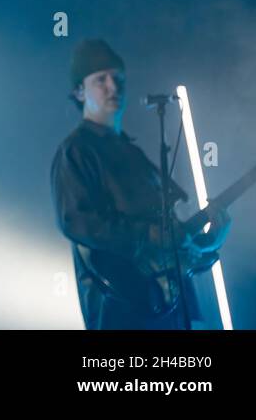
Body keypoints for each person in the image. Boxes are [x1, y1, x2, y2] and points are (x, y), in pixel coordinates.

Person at [51, 38, 229, 329]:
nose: (113, 86)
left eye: (118, 78)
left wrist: (205, 241)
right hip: (123, 308)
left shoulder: (132, 153)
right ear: (79, 91)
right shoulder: (77, 151)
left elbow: (167, 232)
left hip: (168, 305)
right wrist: (145, 236)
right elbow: (78, 222)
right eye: (101, 79)